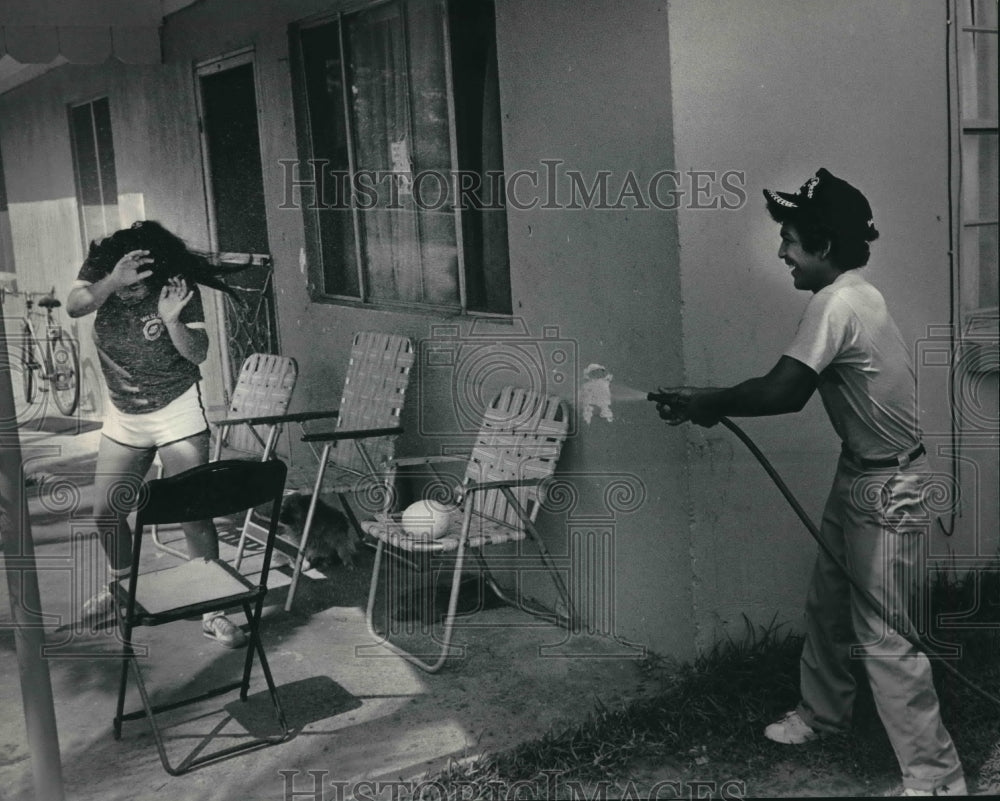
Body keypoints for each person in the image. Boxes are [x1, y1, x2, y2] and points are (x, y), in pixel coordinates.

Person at [656, 168, 966, 796]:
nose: (782, 253)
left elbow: (785, 391)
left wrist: (707, 400)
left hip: (890, 487)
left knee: (884, 636)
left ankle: (936, 779)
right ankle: (823, 717)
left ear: (824, 247)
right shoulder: (853, 293)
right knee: (828, 607)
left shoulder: (839, 303)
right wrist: (708, 399)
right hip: (862, 474)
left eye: (792, 240)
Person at [68, 220, 247, 649]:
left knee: (193, 511)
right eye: (125, 285)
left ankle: (213, 609)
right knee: (106, 513)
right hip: (125, 413)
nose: (130, 295)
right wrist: (112, 281)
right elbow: (75, 306)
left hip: (175, 409)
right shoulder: (103, 273)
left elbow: (198, 353)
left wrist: (171, 321)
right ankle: (122, 591)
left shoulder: (177, 288)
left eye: (138, 287)